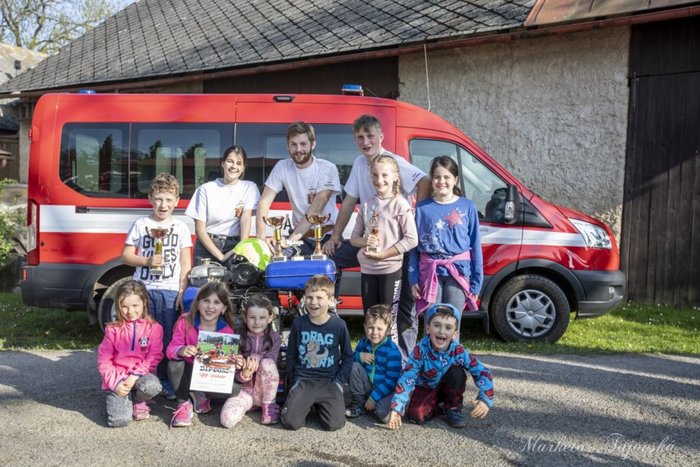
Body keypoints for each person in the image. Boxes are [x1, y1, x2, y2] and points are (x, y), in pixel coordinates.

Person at [324, 114, 431, 361]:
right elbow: (349, 201)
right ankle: (330, 318)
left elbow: (424, 180)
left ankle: (403, 360)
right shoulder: (360, 164)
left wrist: (416, 216)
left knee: (401, 309)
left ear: (380, 136)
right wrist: (336, 235)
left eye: (370, 136)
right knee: (332, 259)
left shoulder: (394, 163)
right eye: (360, 137)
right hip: (371, 245)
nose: (365, 142)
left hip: (397, 246)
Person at [121, 173, 192, 399]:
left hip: (170, 290)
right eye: (159, 199)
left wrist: (182, 291)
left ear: (177, 201)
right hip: (144, 290)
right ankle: (143, 378)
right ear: (150, 198)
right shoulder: (141, 224)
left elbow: (186, 263)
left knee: (169, 337)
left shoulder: (181, 227)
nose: (163, 204)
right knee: (144, 337)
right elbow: (126, 256)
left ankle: (166, 380)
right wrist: (147, 260)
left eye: (169, 199)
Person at [388, 303, 494, 430]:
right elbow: (407, 378)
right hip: (426, 388)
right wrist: (397, 408)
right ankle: (440, 406)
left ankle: (453, 407)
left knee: (457, 372)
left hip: (449, 385)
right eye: (437, 325)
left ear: (455, 334)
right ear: (428, 328)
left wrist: (485, 398)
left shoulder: (458, 351)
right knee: (416, 415)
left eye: (448, 327)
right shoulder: (420, 350)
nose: (441, 331)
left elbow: (482, 371)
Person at [350, 155, 417, 343]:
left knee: (388, 321)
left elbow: (412, 239)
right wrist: (365, 241)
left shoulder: (400, 204)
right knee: (370, 319)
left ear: (395, 176)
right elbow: (354, 239)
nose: (379, 180)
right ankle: (372, 357)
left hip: (390, 270)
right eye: (375, 175)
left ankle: (391, 358)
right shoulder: (367, 205)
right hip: (367, 270)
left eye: (385, 175)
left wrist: (384, 255)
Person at [409, 156, 483, 318]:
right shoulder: (422, 208)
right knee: (432, 320)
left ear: (455, 180)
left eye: (446, 177)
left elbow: (475, 245)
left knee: (452, 320)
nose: (441, 181)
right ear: (432, 179)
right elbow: (414, 247)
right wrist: (413, 279)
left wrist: (476, 282)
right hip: (430, 273)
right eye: (437, 177)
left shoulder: (468, 207)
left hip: (458, 272)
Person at [255, 122, 342, 256]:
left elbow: (316, 208)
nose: (298, 149)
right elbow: (264, 202)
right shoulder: (282, 167)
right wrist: (261, 238)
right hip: (300, 238)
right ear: (288, 146)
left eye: (303, 144)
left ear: (313, 144)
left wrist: (289, 241)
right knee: (275, 260)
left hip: (327, 237)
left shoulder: (327, 168)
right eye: (293, 144)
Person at [280, 275, 353, 431]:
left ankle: (321, 405)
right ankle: (304, 402)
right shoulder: (299, 323)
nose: (313, 302)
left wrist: (339, 382)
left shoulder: (339, 325)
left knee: (334, 424)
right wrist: (294, 379)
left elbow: (348, 356)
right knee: (290, 422)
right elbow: (291, 354)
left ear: (330, 300)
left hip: (329, 381)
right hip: (304, 380)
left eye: (319, 298)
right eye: (309, 297)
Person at [166, 282, 241, 428]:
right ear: (198, 303)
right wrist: (181, 350)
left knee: (235, 389)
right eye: (206, 301)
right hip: (187, 373)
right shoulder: (185, 321)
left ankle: (200, 394)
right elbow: (171, 349)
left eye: (216, 302)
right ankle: (183, 403)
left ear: (224, 308)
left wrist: (235, 362)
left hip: (209, 377)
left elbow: (225, 365)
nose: (210, 306)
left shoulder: (227, 330)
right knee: (174, 364)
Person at [97, 280, 163, 427]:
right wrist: (115, 384)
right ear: (118, 306)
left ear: (144, 303)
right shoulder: (112, 330)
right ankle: (122, 397)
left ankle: (139, 400)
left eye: (135, 306)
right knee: (119, 421)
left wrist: (134, 376)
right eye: (124, 306)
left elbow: (154, 357)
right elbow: (104, 360)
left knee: (152, 386)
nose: (130, 311)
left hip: (140, 376)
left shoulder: (155, 328)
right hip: (118, 378)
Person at [185, 145, 260, 264]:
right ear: (223, 164)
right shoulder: (205, 189)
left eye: (239, 163)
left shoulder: (250, 187)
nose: (234, 166)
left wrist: (241, 249)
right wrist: (221, 257)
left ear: (243, 168)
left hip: (234, 246)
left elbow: (246, 219)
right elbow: (199, 230)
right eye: (230, 161)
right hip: (207, 248)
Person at [220, 294, 282, 427]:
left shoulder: (275, 338)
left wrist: (256, 358)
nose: (257, 322)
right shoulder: (236, 337)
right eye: (252, 317)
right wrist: (244, 372)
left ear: (270, 318)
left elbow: (271, 361)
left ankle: (269, 405)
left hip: (263, 392)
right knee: (227, 421)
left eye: (262, 317)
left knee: (267, 363)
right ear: (245, 318)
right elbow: (232, 373)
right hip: (243, 391)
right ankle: (245, 406)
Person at [345, 304, 402, 422]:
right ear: (365, 327)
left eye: (380, 329)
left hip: (385, 390)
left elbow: (391, 381)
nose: (374, 332)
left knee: (383, 415)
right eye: (371, 327)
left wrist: (373, 398)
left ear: (388, 330)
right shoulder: (363, 343)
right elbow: (349, 359)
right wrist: (359, 356)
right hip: (367, 386)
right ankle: (359, 402)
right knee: (354, 366)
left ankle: (398, 406)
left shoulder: (392, 351)